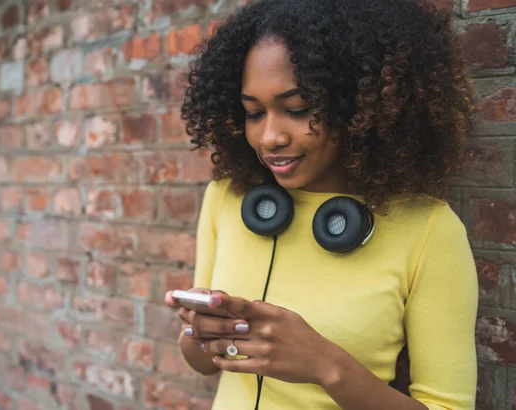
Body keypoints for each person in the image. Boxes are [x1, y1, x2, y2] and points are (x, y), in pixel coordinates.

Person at [164, 0, 479, 409]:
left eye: (298, 109)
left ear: (358, 105)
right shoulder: (228, 198)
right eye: (254, 113)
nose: (270, 137)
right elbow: (201, 365)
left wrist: (326, 365)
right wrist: (199, 331)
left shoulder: (428, 229)